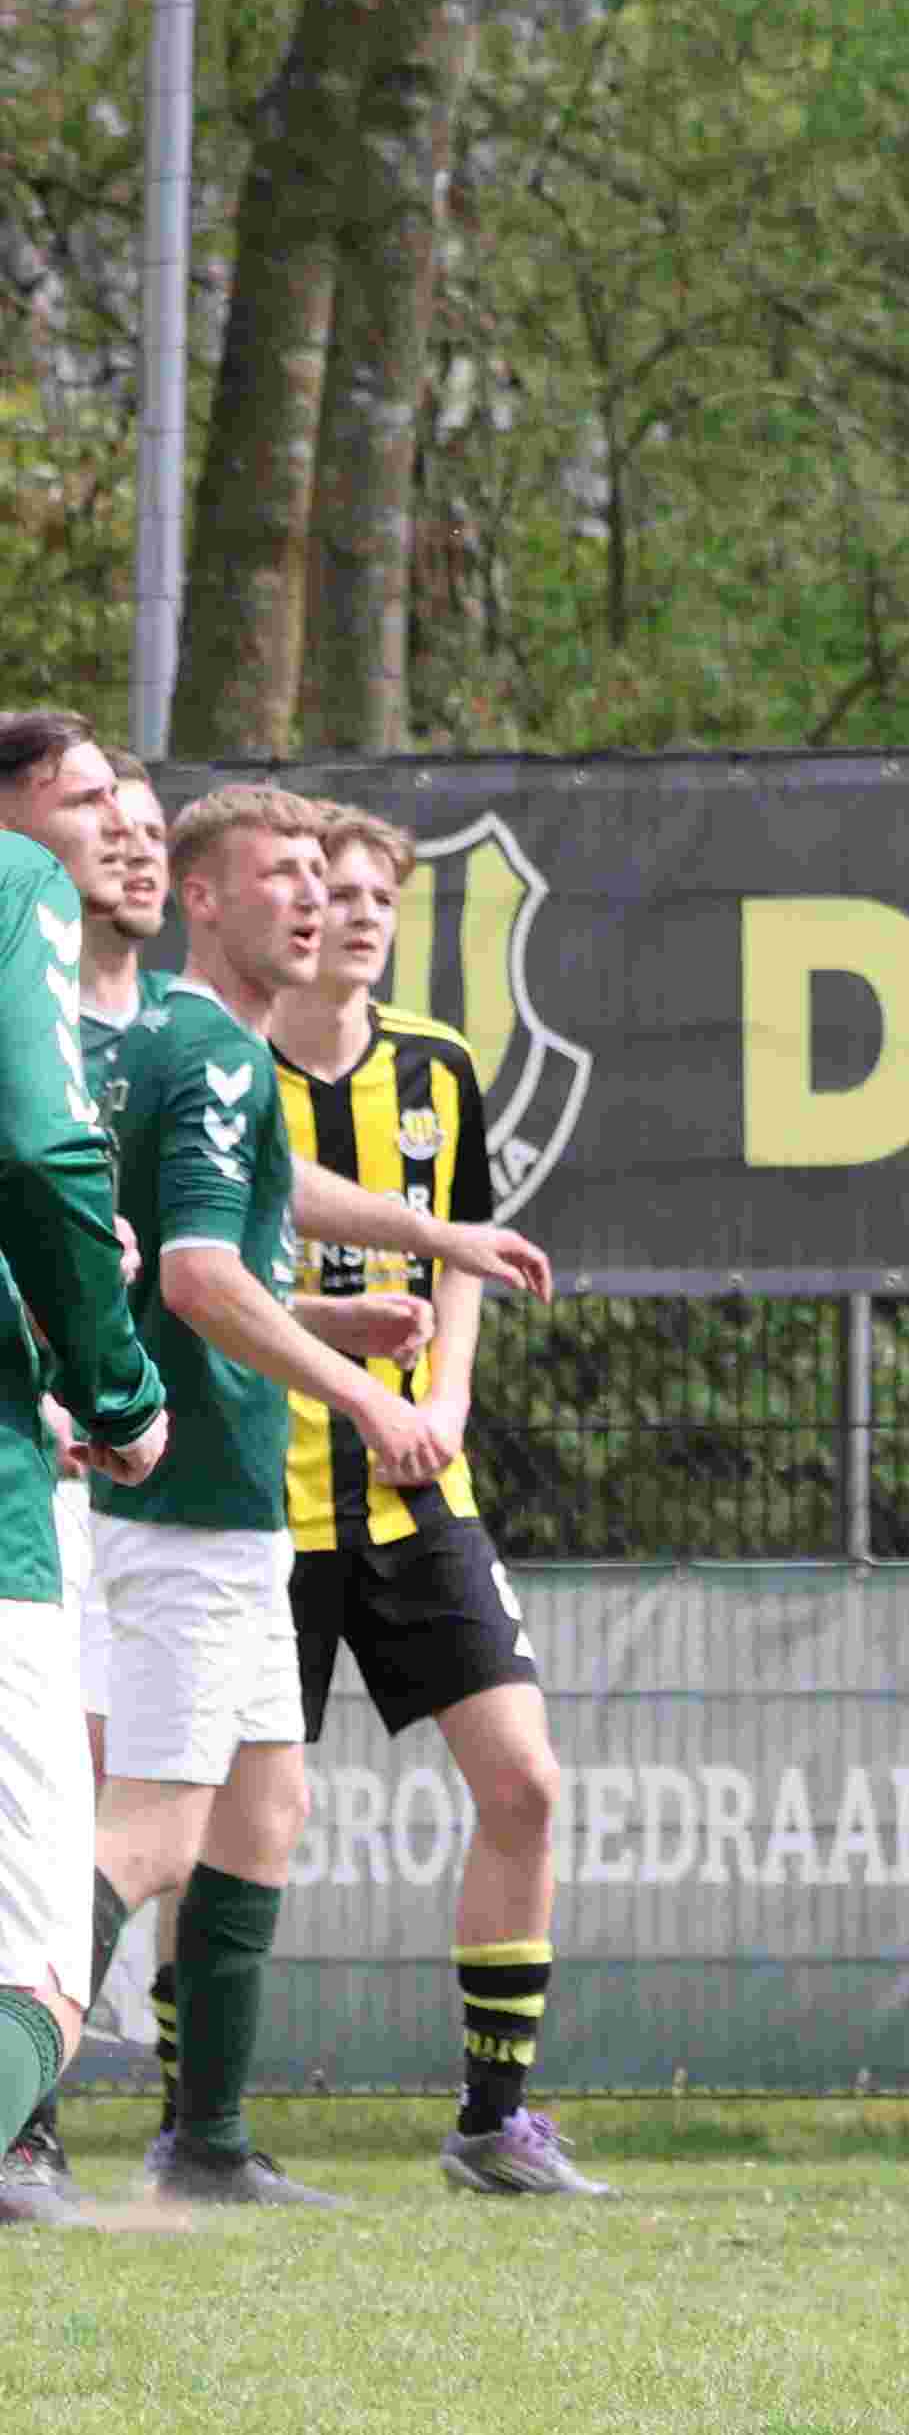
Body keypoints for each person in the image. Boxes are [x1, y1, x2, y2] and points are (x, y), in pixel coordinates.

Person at [84, 786, 473, 2208]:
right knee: (151, 1832)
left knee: (267, 1807)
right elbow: (194, 1279)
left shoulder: (180, 1047)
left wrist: (361, 1299)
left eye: (324, 874)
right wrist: (362, 1392)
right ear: (203, 897)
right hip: (191, 1503)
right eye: (279, 875)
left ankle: (209, 2144)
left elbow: (228, 1238)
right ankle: (19, 2120)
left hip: (223, 1501)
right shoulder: (218, 1048)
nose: (311, 898)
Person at [276, 798, 603, 2194]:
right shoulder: (220, 1070)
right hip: (263, 1503)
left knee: (525, 1779)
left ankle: (492, 2118)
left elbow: (461, 1246)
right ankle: (193, 2117)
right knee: (230, 1824)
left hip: (422, 1496)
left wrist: (447, 1400)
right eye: (335, 890)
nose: (357, 914)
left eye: (378, 898)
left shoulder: (438, 1064)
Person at [0, 715, 173, 2218]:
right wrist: (115, 1379)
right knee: (46, 1950)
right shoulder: (15, 901)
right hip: (20, 1497)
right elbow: (46, 1157)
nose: (118, 824)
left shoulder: (177, 1025)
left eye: (130, 801)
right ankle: (23, 2131)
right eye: (82, 801)